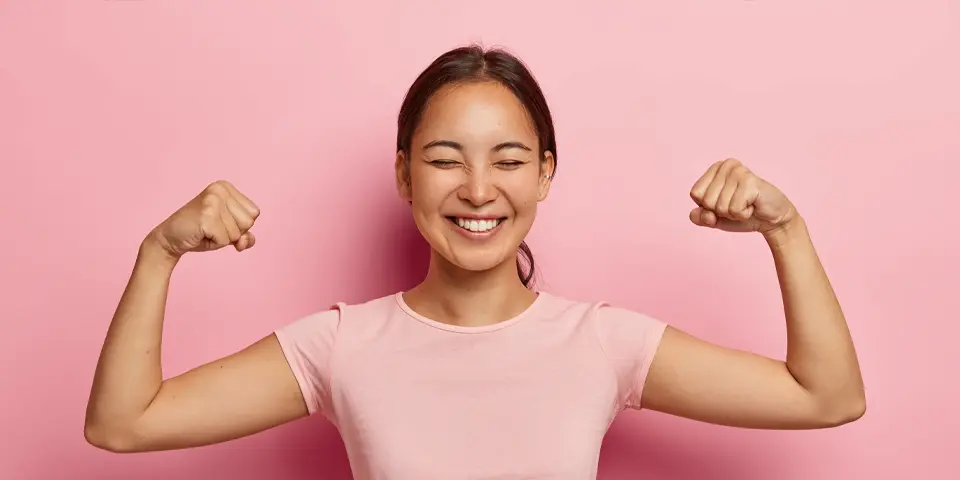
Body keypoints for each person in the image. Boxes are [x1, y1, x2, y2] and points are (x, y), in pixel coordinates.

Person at [84, 45, 866, 478]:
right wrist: (159, 253)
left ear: (546, 174)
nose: (479, 189)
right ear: (404, 175)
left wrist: (786, 229)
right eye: (445, 159)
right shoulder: (341, 346)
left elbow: (826, 397)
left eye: (510, 160)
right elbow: (123, 424)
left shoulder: (602, 342)